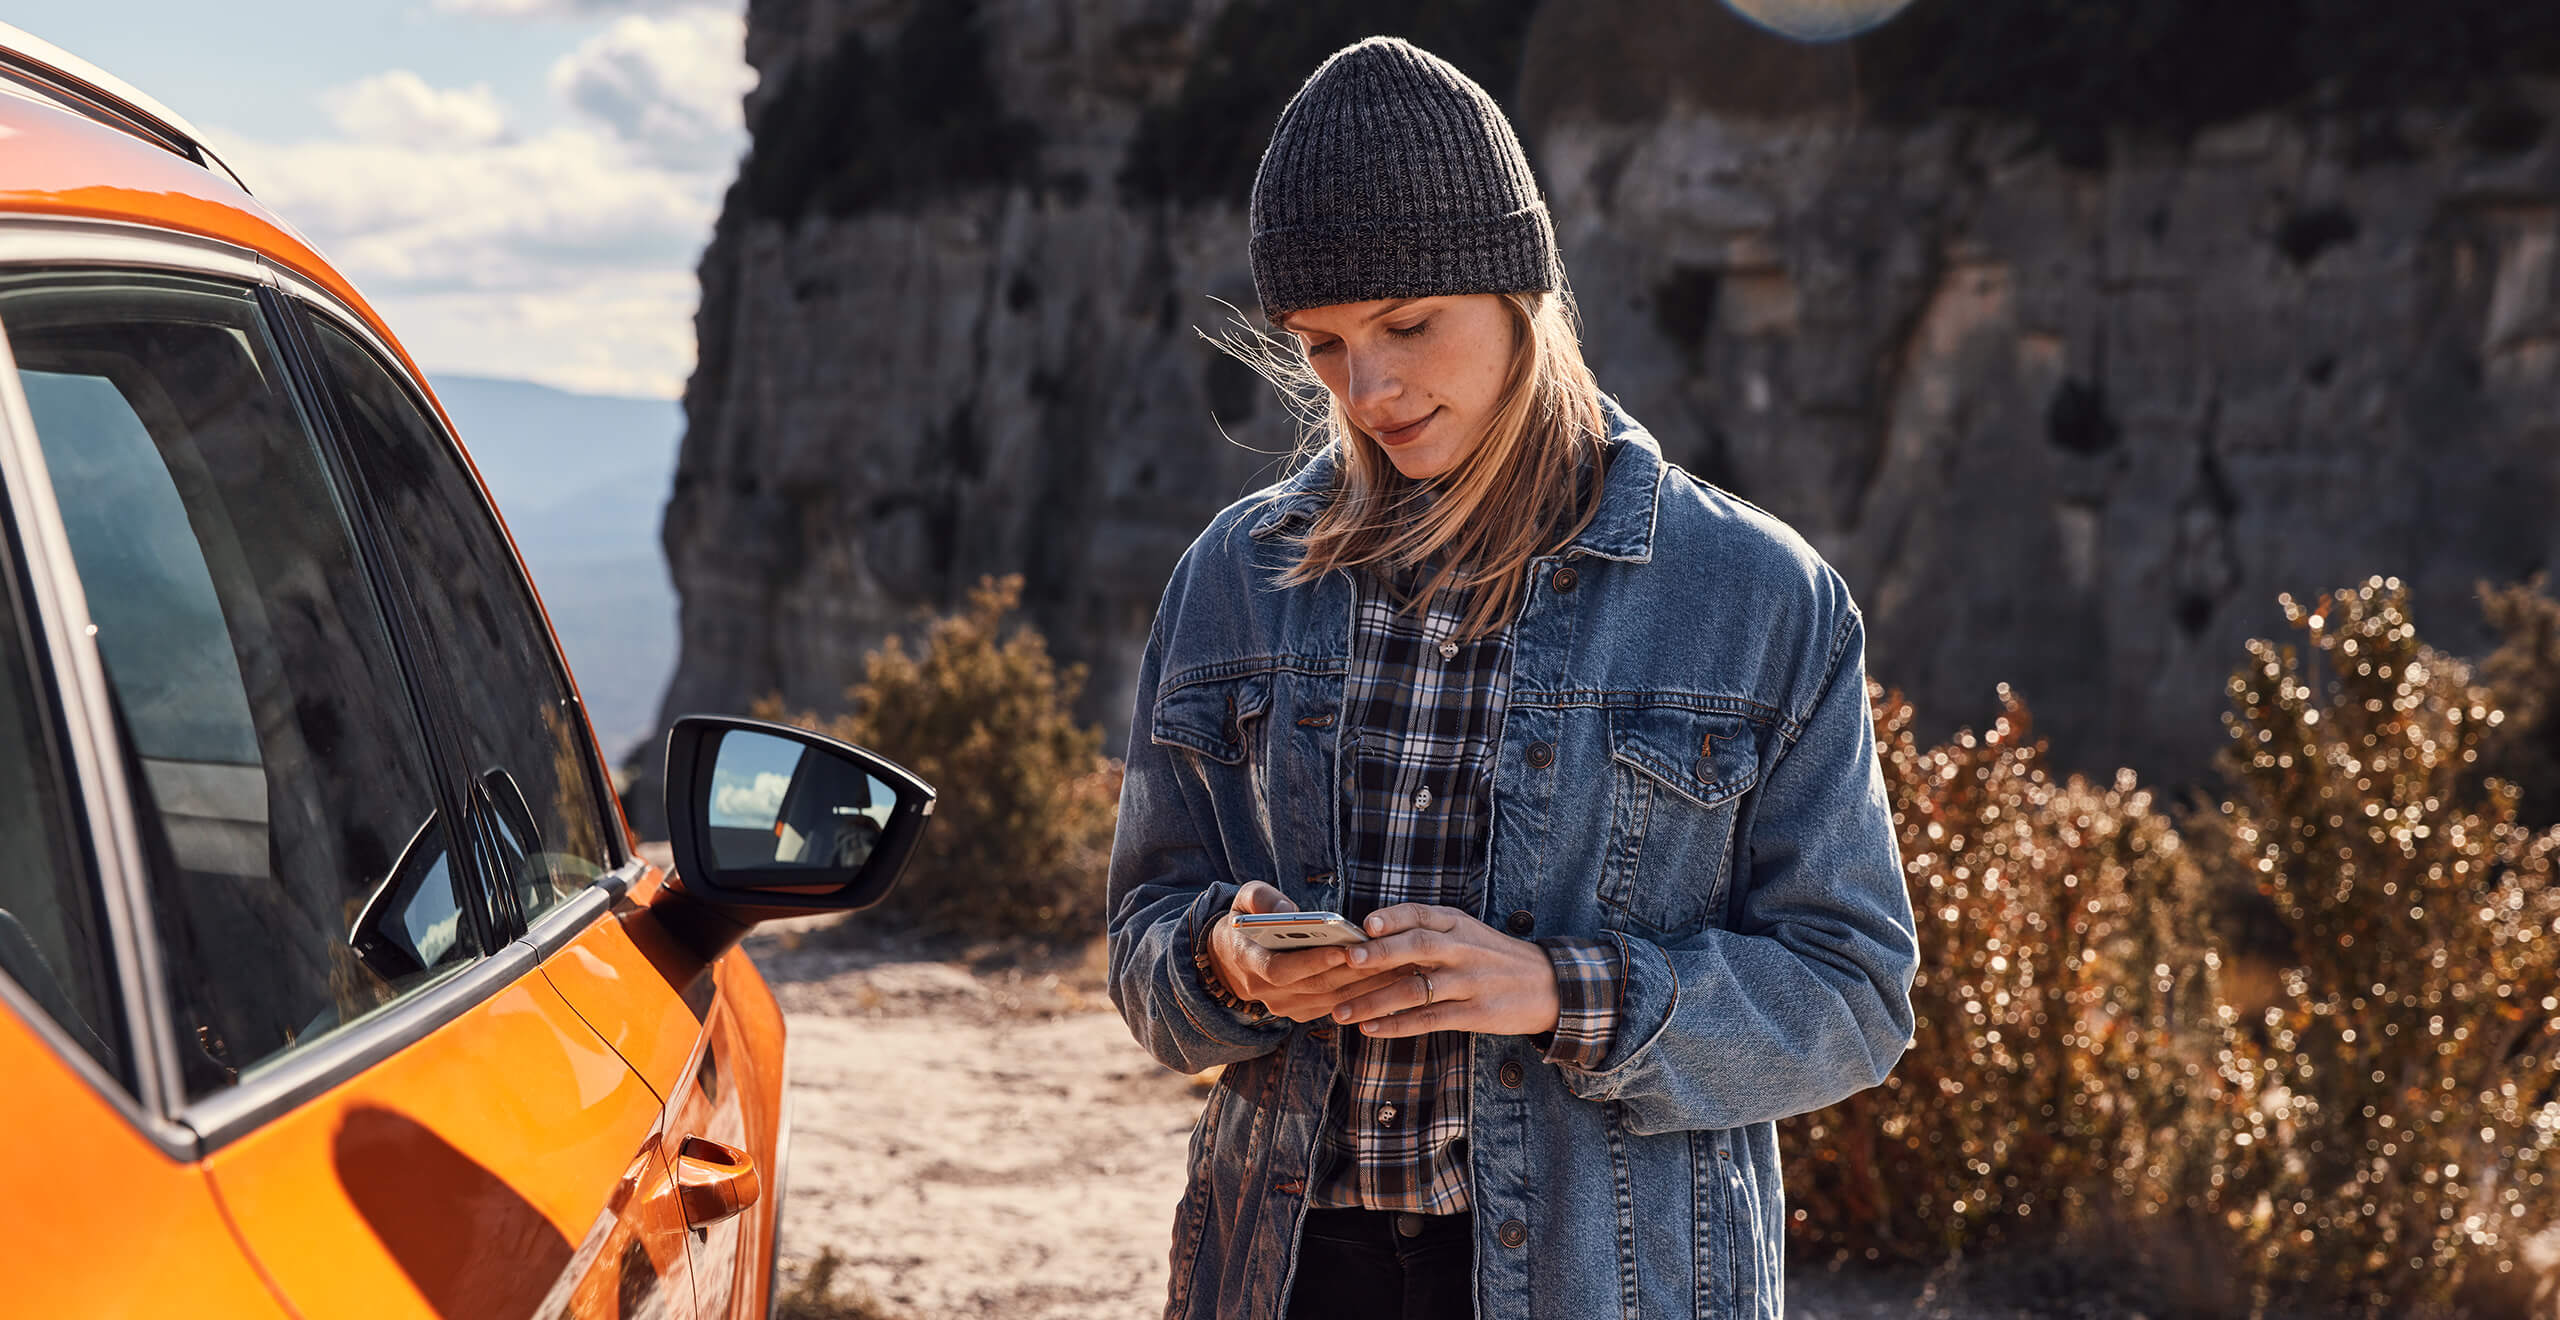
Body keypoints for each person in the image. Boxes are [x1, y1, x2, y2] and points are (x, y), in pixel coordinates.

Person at [1106, 35, 1919, 1320]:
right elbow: (1142, 947)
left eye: (1407, 325)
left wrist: (1556, 991)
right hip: (1281, 1273)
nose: (1364, 390)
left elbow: (1853, 999)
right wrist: (1223, 960)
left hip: (1617, 1279)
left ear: (1520, 292)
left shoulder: (1758, 597)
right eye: (1319, 344)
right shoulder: (1236, 574)